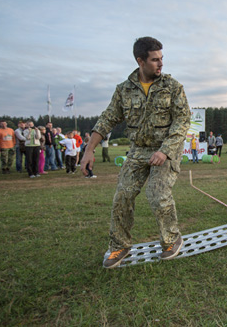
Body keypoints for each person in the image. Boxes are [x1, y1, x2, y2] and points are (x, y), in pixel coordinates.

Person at [80, 36, 191, 268]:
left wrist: (165, 151)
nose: (161, 64)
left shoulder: (172, 86)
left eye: (162, 58)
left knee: (157, 195)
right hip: (138, 151)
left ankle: (172, 238)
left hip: (166, 150)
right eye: (154, 60)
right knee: (122, 196)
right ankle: (119, 246)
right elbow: (107, 119)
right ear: (140, 61)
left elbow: (182, 121)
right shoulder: (124, 90)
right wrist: (89, 150)